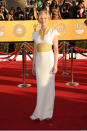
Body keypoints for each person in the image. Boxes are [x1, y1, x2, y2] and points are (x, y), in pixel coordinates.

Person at [30, 9, 60, 121]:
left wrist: (56, 65)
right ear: (39, 19)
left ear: (48, 19)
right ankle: (39, 112)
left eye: (45, 18)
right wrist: (33, 65)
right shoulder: (35, 33)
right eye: (41, 18)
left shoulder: (53, 32)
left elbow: (56, 50)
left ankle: (48, 113)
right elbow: (35, 50)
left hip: (49, 61)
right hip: (39, 62)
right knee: (40, 88)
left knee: (49, 87)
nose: (43, 20)